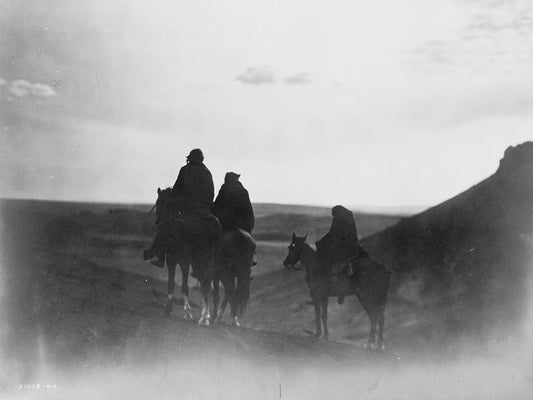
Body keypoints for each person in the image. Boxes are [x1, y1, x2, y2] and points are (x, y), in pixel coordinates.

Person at [144, 148, 215, 268]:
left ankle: (160, 258)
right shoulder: (207, 172)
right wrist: (206, 204)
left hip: (186, 209)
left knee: (165, 226)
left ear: (191, 158)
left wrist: (175, 201)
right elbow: (211, 192)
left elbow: (177, 189)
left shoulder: (185, 170)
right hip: (204, 209)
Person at [316, 205, 368, 304]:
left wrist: (325, 241)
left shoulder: (341, 220)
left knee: (334, 262)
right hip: (343, 244)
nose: (334, 216)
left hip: (346, 246)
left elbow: (337, 234)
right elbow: (333, 233)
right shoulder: (343, 219)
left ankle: (340, 290)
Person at [212, 172, 257, 270]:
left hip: (227, 225)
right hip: (244, 226)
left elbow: (217, 206)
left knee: (214, 242)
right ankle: (251, 260)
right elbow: (249, 211)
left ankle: (213, 266)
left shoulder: (224, 190)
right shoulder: (244, 191)